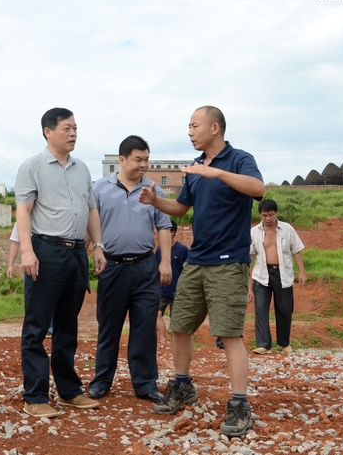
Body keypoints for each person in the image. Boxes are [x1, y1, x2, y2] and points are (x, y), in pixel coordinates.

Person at [138, 105, 265, 438]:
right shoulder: (195, 169)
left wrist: (217, 173)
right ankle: (182, 387)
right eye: (188, 126)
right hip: (196, 261)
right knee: (180, 326)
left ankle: (239, 405)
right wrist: (154, 201)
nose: (190, 131)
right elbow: (180, 208)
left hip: (228, 262)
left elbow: (257, 189)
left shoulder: (238, 160)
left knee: (230, 335)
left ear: (215, 128)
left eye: (194, 125)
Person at [15, 107, 106, 418]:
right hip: (46, 250)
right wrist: (27, 252)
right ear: (47, 131)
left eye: (76, 128)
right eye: (67, 128)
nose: (73, 134)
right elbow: (23, 212)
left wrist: (98, 246)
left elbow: (91, 208)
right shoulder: (32, 167)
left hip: (77, 252)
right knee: (37, 326)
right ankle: (36, 396)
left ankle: (68, 391)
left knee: (68, 325)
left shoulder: (82, 169)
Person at [88, 135, 172, 403]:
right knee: (109, 326)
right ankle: (101, 381)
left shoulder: (153, 189)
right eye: (138, 159)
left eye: (147, 159)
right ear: (122, 160)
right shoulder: (100, 188)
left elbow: (164, 227)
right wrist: (94, 249)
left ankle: (146, 383)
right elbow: (92, 224)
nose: (144, 164)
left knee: (145, 327)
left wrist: (165, 260)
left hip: (145, 267)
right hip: (111, 266)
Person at [249, 199, 306, 355]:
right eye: (264, 215)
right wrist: (249, 286)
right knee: (260, 310)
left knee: (284, 310)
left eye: (271, 214)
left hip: (283, 274)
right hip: (261, 275)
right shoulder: (254, 232)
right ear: (260, 214)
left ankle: (284, 343)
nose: (268, 218)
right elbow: (250, 259)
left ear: (276, 213)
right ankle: (263, 344)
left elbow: (297, 251)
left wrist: (301, 271)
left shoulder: (287, 229)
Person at [156, 221, 189, 345]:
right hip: (162, 290)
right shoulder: (159, 250)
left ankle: (177, 342)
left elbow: (188, 270)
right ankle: (163, 339)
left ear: (173, 233)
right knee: (157, 314)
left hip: (178, 290)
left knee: (176, 319)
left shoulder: (183, 250)